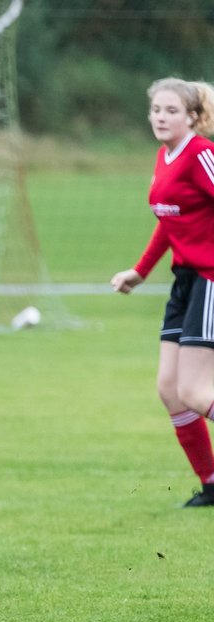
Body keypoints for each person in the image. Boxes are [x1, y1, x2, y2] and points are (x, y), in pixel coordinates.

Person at [110, 77, 214, 507]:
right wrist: (139, 272)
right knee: (170, 391)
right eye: (157, 110)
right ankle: (212, 483)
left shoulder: (201, 154)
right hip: (185, 282)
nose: (161, 117)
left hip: (210, 280)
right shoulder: (165, 156)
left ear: (192, 116)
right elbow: (168, 222)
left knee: (195, 391)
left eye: (172, 111)